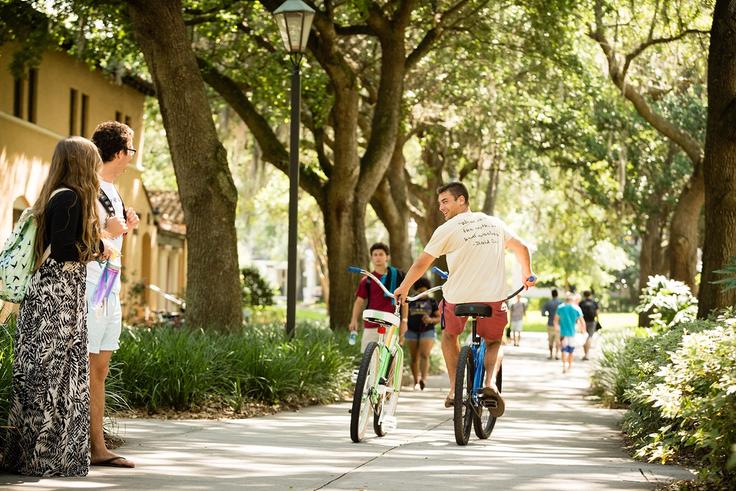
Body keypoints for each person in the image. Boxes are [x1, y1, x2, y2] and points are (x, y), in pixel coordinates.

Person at [5, 137, 113, 477]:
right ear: (81, 163)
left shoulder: (60, 196)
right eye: (94, 161)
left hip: (54, 297)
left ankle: (42, 457)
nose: (97, 167)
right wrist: (99, 250)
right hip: (56, 299)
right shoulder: (69, 198)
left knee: (52, 377)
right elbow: (66, 250)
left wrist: (96, 242)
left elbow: (62, 241)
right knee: (52, 377)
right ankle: (44, 458)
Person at [393, 182, 535, 417]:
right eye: (439, 203)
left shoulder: (447, 229)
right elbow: (522, 247)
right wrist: (526, 275)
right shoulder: (494, 223)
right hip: (493, 297)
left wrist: (404, 287)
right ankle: (490, 384)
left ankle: (453, 389)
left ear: (462, 200)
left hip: (457, 298)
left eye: (445, 201)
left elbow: (421, 263)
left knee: (449, 336)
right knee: (494, 341)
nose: (441, 207)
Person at [86, 121, 140, 469]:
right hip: (92, 286)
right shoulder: (88, 187)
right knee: (90, 366)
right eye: (130, 151)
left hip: (111, 285)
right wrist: (109, 229)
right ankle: (94, 446)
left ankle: (97, 445)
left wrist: (125, 227)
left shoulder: (115, 191)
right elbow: (80, 236)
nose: (131, 158)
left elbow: (113, 241)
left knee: (102, 366)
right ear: (119, 152)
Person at [349, 243, 408, 352]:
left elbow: (404, 300)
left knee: (390, 361)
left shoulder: (398, 275)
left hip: (391, 324)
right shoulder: (367, 280)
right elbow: (359, 301)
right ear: (371, 258)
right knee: (368, 360)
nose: (378, 257)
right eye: (375, 255)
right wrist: (354, 320)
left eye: (381, 254)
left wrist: (404, 321)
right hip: (371, 324)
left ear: (387, 257)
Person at [406, 277, 440, 390]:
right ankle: (416, 380)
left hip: (427, 330)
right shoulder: (410, 301)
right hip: (411, 330)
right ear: (416, 291)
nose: (422, 293)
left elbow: (439, 318)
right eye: (419, 291)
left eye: (424, 291)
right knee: (414, 357)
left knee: (424, 355)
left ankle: (423, 379)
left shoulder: (432, 302)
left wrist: (430, 320)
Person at [554, 292, 585, 373]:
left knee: (563, 350)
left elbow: (555, 321)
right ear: (573, 300)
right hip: (572, 333)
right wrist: (583, 331)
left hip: (563, 333)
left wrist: (557, 328)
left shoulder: (560, 307)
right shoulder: (577, 308)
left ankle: (564, 366)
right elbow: (582, 321)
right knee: (571, 351)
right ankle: (570, 367)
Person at [542, 289, 562, 359]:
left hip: (550, 323)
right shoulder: (561, 303)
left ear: (552, 294)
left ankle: (551, 355)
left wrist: (548, 315)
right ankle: (557, 354)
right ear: (557, 294)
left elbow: (543, 313)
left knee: (550, 340)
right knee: (558, 340)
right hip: (559, 324)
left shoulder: (548, 303)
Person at [579, 290, 600, 361]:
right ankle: (586, 354)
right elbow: (597, 313)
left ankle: (585, 354)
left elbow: (579, 314)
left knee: (585, 337)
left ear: (584, 295)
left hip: (583, 322)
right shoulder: (594, 302)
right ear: (590, 295)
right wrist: (598, 320)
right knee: (589, 337)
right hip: (592, 321)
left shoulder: (581, 303)